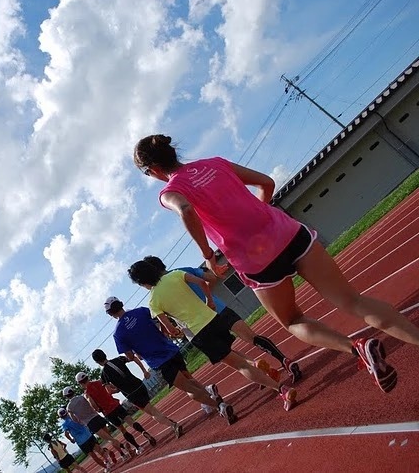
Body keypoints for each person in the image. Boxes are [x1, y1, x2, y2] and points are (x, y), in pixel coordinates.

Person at [133, 134, 418, 392]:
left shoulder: (170, 190)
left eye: (147, 173)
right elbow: (266, 183)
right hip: (289, 233)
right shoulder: (215, 163)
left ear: (154, 170)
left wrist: (208, 255)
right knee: (353, 301)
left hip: (257, 261)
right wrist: (262, 210)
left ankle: (358, 347)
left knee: (292, 320)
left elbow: (185, 210)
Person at [128, 261, 298, 411]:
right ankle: (260, 366)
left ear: (141, 283)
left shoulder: (153, 302)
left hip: (198, 333)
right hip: (213, 317)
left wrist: (176, 331)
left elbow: (171, 330)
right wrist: (209, 300)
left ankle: (281, 389)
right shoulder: (176, 275)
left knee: (239, 366)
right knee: (235, 353)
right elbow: (203, 281)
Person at [100, 296, 238, 425]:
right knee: (188, 378)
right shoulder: (141, 311)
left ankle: (219, 406)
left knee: (188, 389)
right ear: (121, 304)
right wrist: (164, 331)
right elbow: (159, 318)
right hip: (171, 350)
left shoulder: (118, 333)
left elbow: (130, 356)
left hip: (159, 361)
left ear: (110, 314)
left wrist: (137, 352)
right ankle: (209, 394)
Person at [75, 371, 155, 454]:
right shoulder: (99, 381)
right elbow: (112, 386)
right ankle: (143, 432)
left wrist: (97, 409)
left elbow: (93, 404)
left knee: (123, 430)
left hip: (108, 412)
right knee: (131, 421)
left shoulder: (87, 393)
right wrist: (116, 390)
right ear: (87, 377)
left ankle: (138, 447)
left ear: (80, 383)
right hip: (116, 405)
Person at [63, 386, 132, 461]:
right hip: (97, 417)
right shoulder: (82, 397)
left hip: (90, 423)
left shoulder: (69, 407)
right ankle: (122, 453)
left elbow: (74, 419)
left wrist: (81, 421)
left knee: (109, 439)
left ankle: (124, 448)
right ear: (73, 392)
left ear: (66, 396)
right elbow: (92, 403)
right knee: (109, 436)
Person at [58, 407, 115, 473]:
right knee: (98, 449)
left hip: (81, 442)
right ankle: (107, 455)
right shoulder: (74, 416)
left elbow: (66, 434)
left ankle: (106, 467)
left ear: (61, 416)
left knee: (94, 456)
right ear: (66, 412)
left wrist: (71, 440)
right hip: (88, 435)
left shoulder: (65, 424)